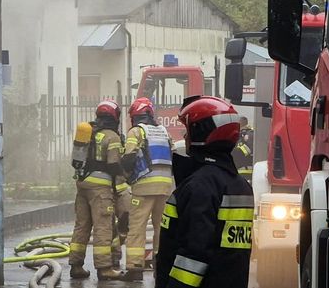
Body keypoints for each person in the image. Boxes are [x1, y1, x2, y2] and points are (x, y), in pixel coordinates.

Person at [155, 96, 254, 288]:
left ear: (201, 133)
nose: (184, 137)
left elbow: (194, 254)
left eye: (188, 131)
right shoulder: (240, 186)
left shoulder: (200, 186)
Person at [68, 99, 127, 281]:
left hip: (83, 184)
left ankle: (76, 265)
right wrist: (123, 178)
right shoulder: (112, 136)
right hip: (100, 189)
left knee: (82, 225)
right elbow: (114, 164)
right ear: (115, 116)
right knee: (103, 227)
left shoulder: (90, 132)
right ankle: (104, 268)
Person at [121, 97, 174, 282]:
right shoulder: (163, 131)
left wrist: (126, 175)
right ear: (150, 113)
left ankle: (135, 268)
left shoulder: (136, 132)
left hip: (143, 188)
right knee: (163, 228)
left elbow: (128, 158)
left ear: (134, 116)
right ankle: (161, 266)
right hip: (165, 188)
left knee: (137, 226)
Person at [233, 118, 254, 183]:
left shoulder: (249, 134)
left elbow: (247, 150)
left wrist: (234, 153)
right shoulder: (246, 134)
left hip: (244, 171)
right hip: (244, 171)